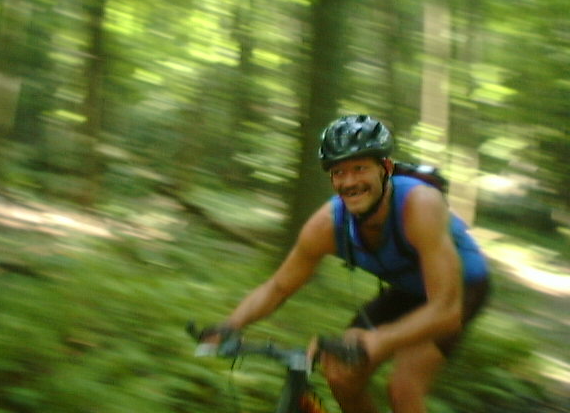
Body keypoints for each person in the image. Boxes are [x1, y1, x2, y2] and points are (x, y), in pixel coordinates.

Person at [201, 114, 490, 413]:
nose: (349, 182)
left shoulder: (420, 205)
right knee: (341, 374)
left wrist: (379, 340)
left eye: (360, 168)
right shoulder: (327, 225)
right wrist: (230, 325)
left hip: (461, 288)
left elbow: (446, 312)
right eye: (339, 172)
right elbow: (278, 287)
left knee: (403, 387)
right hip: (407, 291)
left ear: (386, 168)